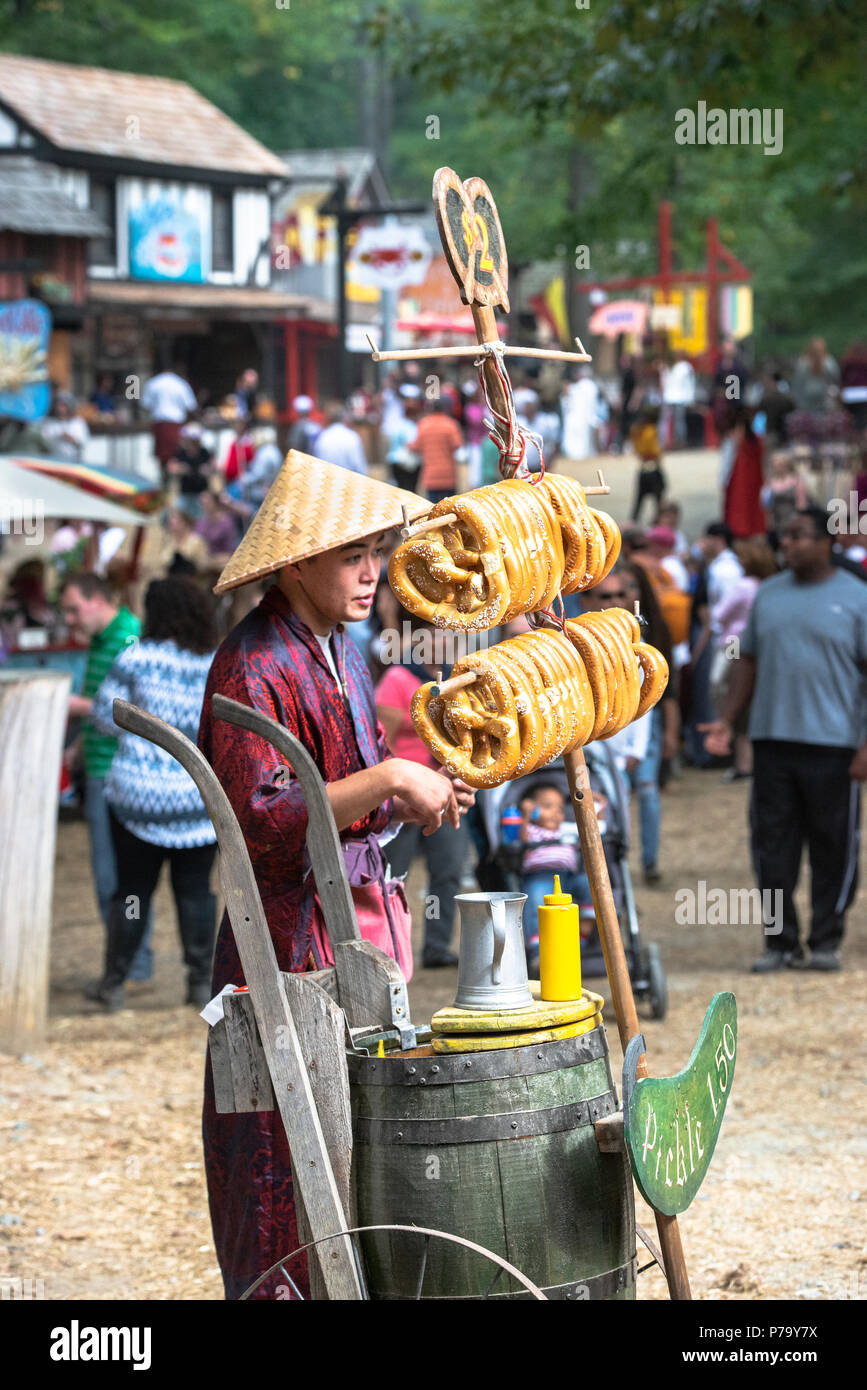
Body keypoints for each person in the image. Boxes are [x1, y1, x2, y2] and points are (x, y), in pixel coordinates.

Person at [197, 450, 475, 1299]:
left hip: (354, 922)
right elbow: (268, 823)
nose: (371, 573)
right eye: (351, 555)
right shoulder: (253, 664)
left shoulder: (338, 648)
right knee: (284, 1143)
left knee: (358, 1132)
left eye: (375, 553)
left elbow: (343, 792)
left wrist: (412, 795)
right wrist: (392, 778)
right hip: (282, 941)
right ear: (295, 562)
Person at [702, 506, 867, 972]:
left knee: (833, 846)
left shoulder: (857, 598)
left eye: (797, 536)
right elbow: (746, 663)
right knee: (772, 847)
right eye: (784, 536)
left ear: (826, 542)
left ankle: (827, 939)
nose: (786, 544)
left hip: (835, 747)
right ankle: (781, 943)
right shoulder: (768, 595)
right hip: (772, 742)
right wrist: (726, 720)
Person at [87, 577, 219, 1010]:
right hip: (197, 800)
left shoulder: (136, 658)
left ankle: (115, 980)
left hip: (136, 798)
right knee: (196, 893)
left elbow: (105, 716)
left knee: (131, 891)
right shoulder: (213, 663)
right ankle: (200, 981)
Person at [60, 573, 154, 983]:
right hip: (98, 769)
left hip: (121, 776)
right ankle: (128, 963)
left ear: (98, 600)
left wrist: (67, 704)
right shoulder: (101, 641)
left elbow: (127, 709)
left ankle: (133, 965)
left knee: (121, 880)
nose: (68, 619)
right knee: (109, 879)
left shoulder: (129, 638)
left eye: (73, 609)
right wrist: (77, 750)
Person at [375, 625, 469, 968]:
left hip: (447, 788)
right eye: (435, 636)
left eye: (449, 637)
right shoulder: (398, 678)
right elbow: (381, 740)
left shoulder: (462, 679)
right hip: (402, 790)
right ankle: (384, 948)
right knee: (391, 872)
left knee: (448, 869)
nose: (442, 643)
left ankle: (437, 947)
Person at [708, 536, 777, 782]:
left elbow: (719, 613)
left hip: (734, 643)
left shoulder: (744, 585)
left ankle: (725, 722)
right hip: (759, 645)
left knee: (721, 684)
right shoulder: (769, 585)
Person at [519, 782, 591, 968]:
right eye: (547, 806)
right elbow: (522, 841)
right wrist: (526, 816)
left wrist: (599, 804)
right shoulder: (532, 830)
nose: (555, 813)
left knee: (588, 885)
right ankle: (538, 950)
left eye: (560, 808)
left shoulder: (566, 829)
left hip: (569, 875)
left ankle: (583, 932)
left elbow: (597, 826)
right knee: (535, 899)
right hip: (540, 875)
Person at [142, 364, 197, 480]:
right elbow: (191, 406)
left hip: (160, 423)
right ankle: (170, 481)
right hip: (175, 423)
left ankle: (165, 480)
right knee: (175, 454)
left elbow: (145, 405)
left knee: (165, 457)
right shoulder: (180, 384)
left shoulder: (153, 383)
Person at [723, 408, 765, 538]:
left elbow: (726, 464)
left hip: (741, 480)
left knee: (742, 506)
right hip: (750, 479)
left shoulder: (739, 443)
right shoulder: (756, 441)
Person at [414, 397, 464, 502]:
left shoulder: (423, 424)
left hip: (431, 475)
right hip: (448, 475)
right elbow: (457, 444)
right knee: (449, 508)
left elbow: (416, 447)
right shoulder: (451, 424)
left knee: (433, 509)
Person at [629, 408, 666, 521]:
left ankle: (633, 522)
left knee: (639, 501)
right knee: (658, 501)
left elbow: (636, 449)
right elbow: (656, 451)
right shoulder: (652, 430)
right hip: (654, 469)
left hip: (642, 469)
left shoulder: (636, 430)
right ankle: (657, 523)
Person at [313, 401, 368, 475]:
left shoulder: (322, 437)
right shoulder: (352, 436)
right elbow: (360, 468)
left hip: (326, 482)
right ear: (343, 417)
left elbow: (317, 466)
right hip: (349, 482)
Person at [167, 423, 213, 510]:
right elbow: (171, 467)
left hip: (201, 494)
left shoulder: (204, 453)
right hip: (185, 493)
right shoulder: (181, 453)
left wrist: (207, 470)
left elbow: (214, 467)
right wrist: (181, 469)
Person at [40, 391, 90, 461]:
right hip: (53, 460)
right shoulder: (50, 422)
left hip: (73, 460)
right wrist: (58, 436)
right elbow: (43, 440)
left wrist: (71, 439)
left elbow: (83, 441)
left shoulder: (78, 423)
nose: (60, 408)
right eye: (58, 405)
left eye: (63, 405)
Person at [661, 352, 695, 449]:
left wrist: (690, 397)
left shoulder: (685, 367)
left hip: (680, 398)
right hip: (670, 397)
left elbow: (690, 383)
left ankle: (680, 441)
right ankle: (667, 441)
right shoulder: (670, 366)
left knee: (679, 421)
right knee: (667, 420)